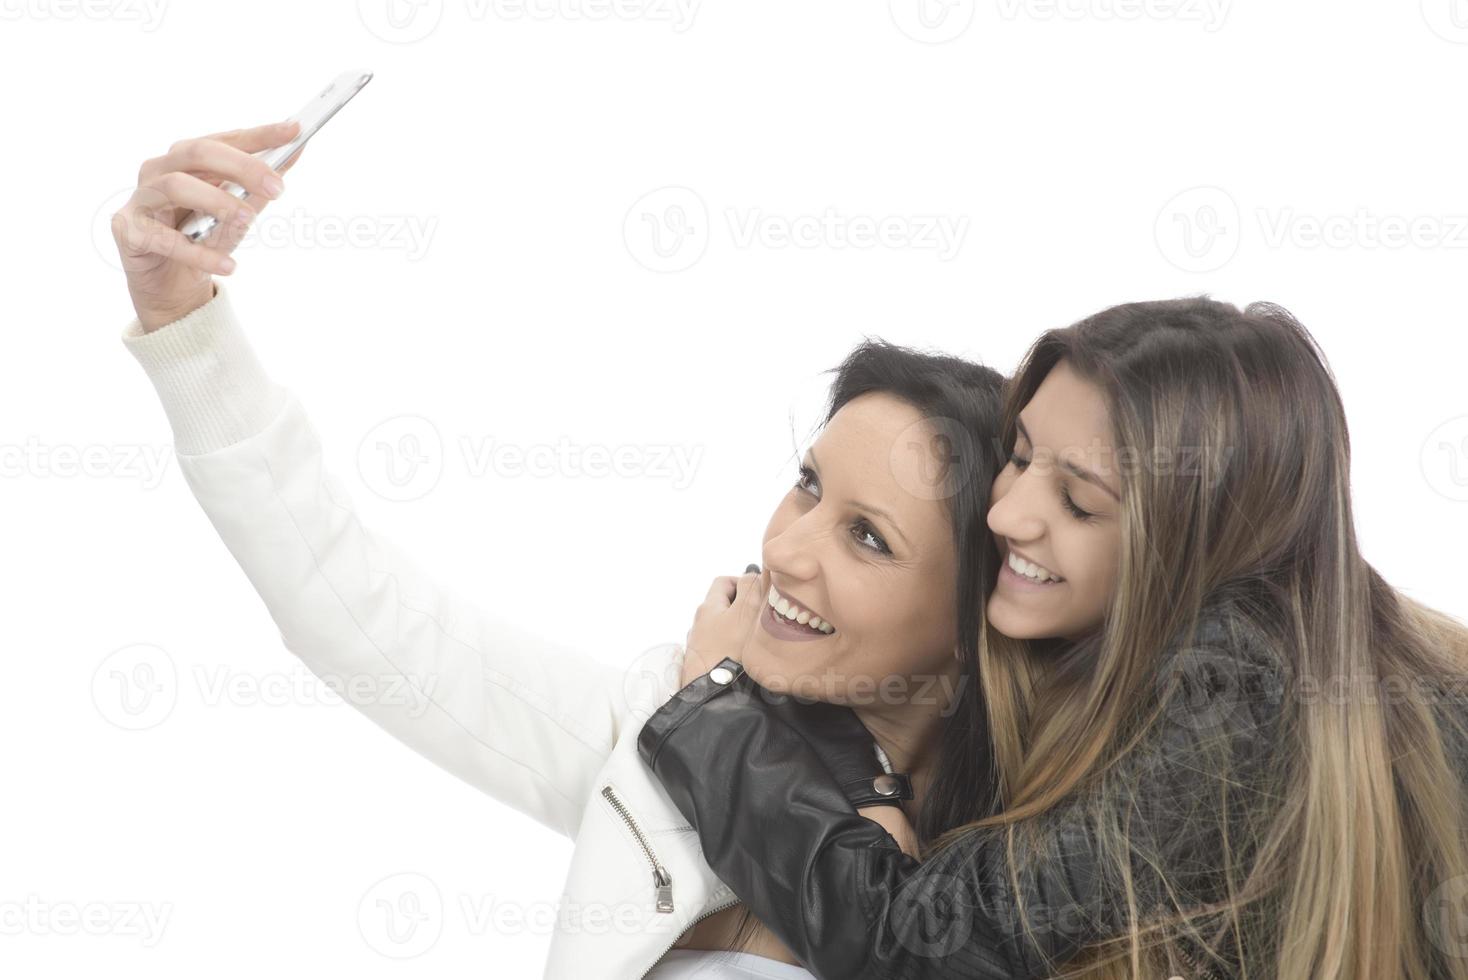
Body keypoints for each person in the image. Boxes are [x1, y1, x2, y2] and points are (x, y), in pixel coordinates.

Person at [109, 118, 1017, 979]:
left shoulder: (1021, 871)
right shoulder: (671, 714)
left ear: (975, 614)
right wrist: (185, 327)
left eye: (868, 537)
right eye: (809, 487)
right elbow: (364, 618)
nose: (786, 551)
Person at [640, 297, 1468, 978]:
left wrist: (711, 708)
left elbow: (926, 945)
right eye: (1022, 455)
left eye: (1078, 502)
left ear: (1192, 539)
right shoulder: (1165, 649)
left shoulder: (1234, 690)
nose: (1006, 515)